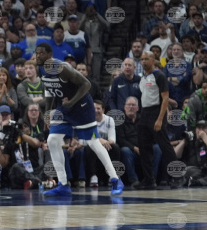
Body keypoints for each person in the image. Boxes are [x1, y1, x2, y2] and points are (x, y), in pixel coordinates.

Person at [34, 41, 123, 196]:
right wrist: (48, 113)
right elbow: (49, 90)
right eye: (36, 53)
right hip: (64, 107)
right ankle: (63, 184)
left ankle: (116, 179)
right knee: (52, 140)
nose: (38, 56)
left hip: (82, 106)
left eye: (41, 53)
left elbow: (86, 84)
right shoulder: (40, 69)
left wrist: (72, 102)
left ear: (50, 54)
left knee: (93, 143)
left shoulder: (62, 68)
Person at [137, 50, 178, 189]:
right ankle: (149, 179)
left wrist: (160, 119)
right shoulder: (143, 77)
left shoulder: (159, 76)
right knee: (144, 148)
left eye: (146, 59)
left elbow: (165, 98)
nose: (143, 62)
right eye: (142, 59)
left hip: (156, 112)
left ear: (153, 60)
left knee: (165, 146)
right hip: (144, 113)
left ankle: (177, 176)